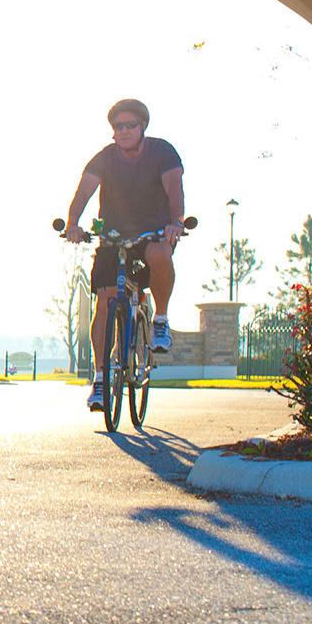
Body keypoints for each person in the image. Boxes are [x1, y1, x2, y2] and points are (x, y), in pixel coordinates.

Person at [62, 98, 185, 412]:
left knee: (160, 255)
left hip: (152, 232)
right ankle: (101, 380)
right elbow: (84, 191)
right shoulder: (105, 158)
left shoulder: (162, 152)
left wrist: (176, 223)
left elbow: (175, 189)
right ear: (113, 131)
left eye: (131, 125)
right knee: (104, 300)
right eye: (119, 126)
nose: (125, 131)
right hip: (113, 235)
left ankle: (159, 319)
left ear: (142, 127)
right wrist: (73, 224)